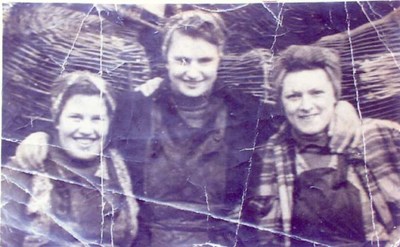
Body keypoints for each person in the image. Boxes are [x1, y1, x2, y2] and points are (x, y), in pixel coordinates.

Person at [12, 10, 361, 246]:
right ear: (165, 58)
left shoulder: (246, 111)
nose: (192, 72)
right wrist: (41, 134)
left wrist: (342, 109)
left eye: (203, 60)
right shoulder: (135, 106)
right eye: (182, 60)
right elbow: (86, 119)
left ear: (220, 57)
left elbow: (301, 119)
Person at [246, 45, 400, 246]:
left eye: (317, 93)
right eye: (294, 96)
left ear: (335, 96)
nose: (306, 106)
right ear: (281, 103)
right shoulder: (270, 155)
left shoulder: (380, 135)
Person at [1, 71, 139, 246]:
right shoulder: (26, 166)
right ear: (57, 120)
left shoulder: (116, 165)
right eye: (76, 117)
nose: (87, 130)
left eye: (97, 119)